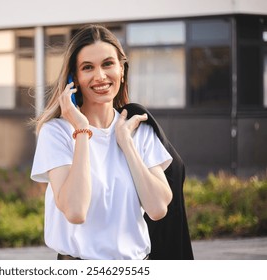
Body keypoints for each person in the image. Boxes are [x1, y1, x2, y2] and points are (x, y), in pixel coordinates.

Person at [30, 24, 173, 260]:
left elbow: (157, 209)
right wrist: (83, 131)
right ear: (74, 78)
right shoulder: (56, 133)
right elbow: (76, 211)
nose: (100, 76)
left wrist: (126, 144)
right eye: (88, 67)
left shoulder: (138, 129)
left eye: (108, 64)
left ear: (122, 69)